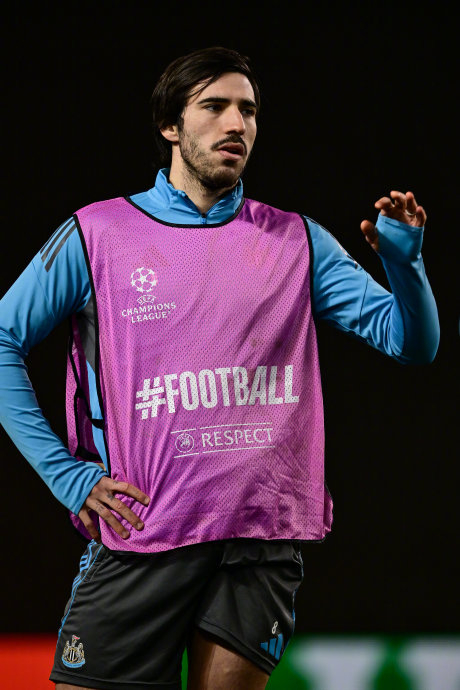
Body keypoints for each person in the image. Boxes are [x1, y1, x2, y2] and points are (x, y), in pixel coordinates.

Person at [0, 46, 439, 690]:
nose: (237, 123)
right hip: (143, 532)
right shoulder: (97, 234)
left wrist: (405, 265)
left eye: (248, 110)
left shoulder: (296, 239)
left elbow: (411, 343)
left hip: (258, 539)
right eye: (214, 106)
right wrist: (67, 477)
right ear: (170, 126)